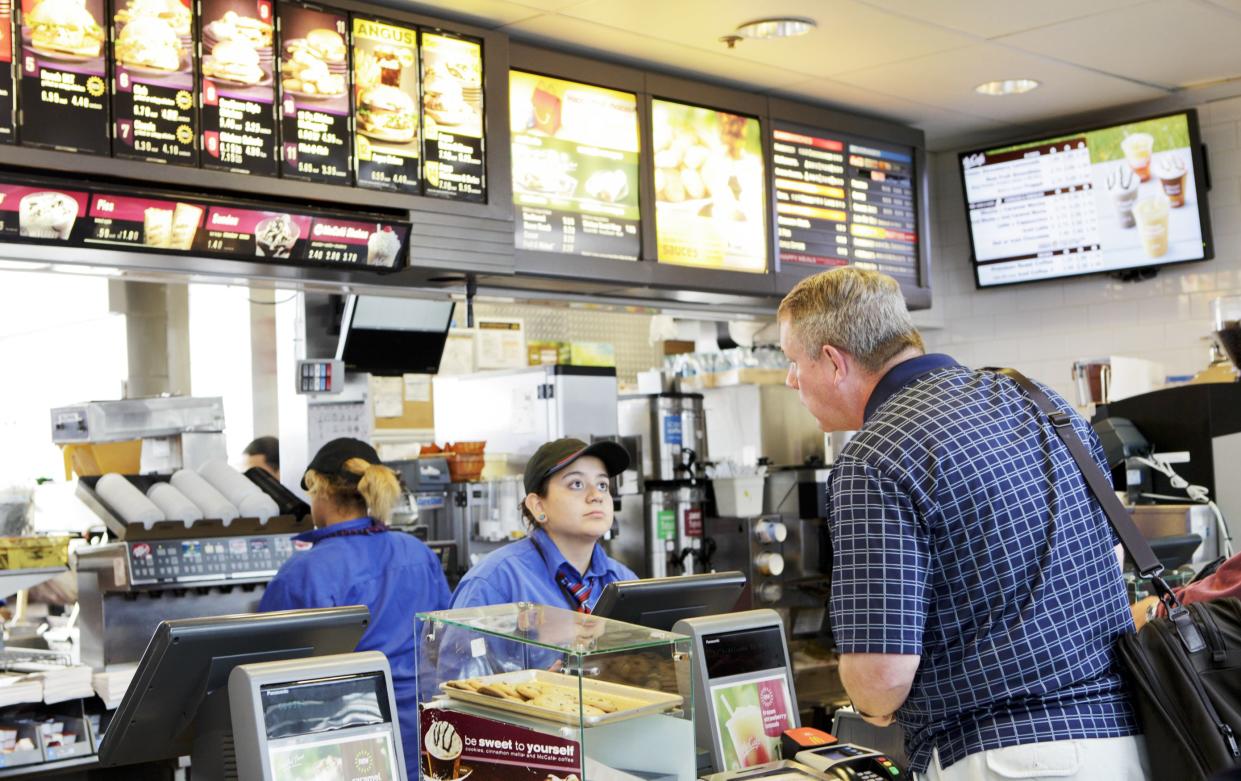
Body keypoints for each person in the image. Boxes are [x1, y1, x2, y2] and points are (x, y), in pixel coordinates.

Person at [778, 268, 1147, 781]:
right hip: (1127, 746)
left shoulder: (875, 455)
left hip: (1007, 761)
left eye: (793, 362)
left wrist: (870, 711)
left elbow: (880, 678)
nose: (791, 380)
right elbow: (1110, 561)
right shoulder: (1043, 402)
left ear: (834, 361)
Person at [258, 437, 451, 762]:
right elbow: (446, 639)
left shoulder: (306, 571)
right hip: (422, 731)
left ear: (320, 489)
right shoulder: (417, 552)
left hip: (351, 740)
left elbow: (270, 669)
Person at [450, 437, 636, 613]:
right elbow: (457, 647)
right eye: (576, 484)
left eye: (602, 485)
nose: (596, 495)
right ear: (538, 506)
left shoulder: (624, 582)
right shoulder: (494, 582)